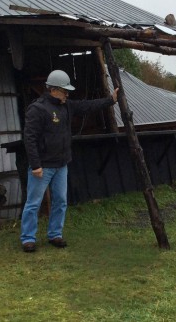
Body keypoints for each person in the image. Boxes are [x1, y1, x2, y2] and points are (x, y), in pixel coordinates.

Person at [20, 70, 119, 253]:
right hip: (43, 166)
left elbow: (86, 106)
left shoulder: (66, 106)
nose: (67, 94)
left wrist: (110, 100)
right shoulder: (38, 109)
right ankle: (28, 238)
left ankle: (55, 234)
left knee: (61, 201)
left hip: (61, 164)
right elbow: (30, 138)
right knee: (34, 203)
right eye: (65, 91)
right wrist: (35, 165)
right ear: (54, 90)